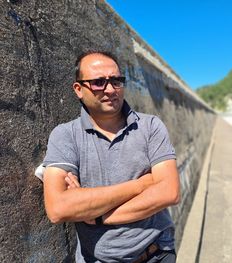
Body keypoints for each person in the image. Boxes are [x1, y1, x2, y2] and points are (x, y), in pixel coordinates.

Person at [42, 50, 180, 262]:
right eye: (98, 82)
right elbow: (58, 208)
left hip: (156, 254)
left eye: (116, 81)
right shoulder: (65, 135)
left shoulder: (150, 126)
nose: (110, 89)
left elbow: (169, 192)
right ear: (78, 89)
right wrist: (143, 184)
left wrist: (97, 216)